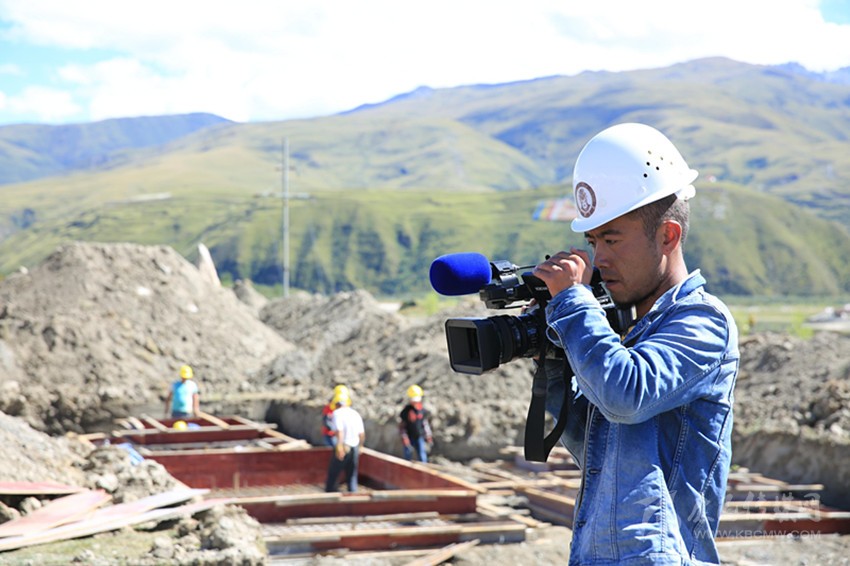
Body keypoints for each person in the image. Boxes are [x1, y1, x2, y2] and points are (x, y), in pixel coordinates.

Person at [531, 123, 739, 565]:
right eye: (592, 241)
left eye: (611, 239)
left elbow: (625, 396)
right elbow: (597, 447)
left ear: (667, 236)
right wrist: (554, 362)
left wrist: (572, 304)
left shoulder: (704, 322)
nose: (599, 259)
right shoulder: (632, 334)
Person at [324, 388, 365, 493]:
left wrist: (339, 446)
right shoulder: (355, 413)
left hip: (344, 446)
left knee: (333, 474)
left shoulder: (337, 413)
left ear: (336, 404)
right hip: (355, 447)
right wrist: (360, 446)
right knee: (351, 475)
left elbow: (340, 431)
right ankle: (353, 496)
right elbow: (361, 434)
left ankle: (329, 496)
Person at [399, 384, 433, 463]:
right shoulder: (406, 411)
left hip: (419, 436)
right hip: (409, 436)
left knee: (422, 453)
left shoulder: (422, 411)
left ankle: (423, 466)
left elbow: (425, 424)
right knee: (408, 453)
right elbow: (402, 426)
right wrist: (404, 437)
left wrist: (428, 435)